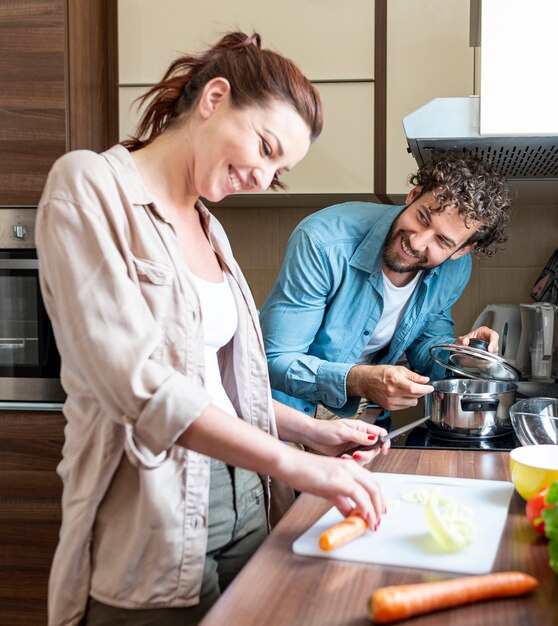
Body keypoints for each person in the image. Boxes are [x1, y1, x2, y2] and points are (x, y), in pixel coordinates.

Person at [36, 32, 388, 626]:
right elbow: (139, 386)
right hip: (153, 518)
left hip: (249, 504)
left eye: (280, 169)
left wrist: (314, 433)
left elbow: (222, 386)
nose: (263, 176)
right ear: (214, 98)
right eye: (266, 147)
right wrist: (296, 464)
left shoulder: (210, 228)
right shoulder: (89, 186)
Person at [259, 151, 513, 424]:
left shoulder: (454, 269)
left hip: (366, 415)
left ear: (462, 250)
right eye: (423, 218)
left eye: (442, 240)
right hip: (286, 414)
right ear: (413, 195)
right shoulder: (323, 241)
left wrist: (461, 355)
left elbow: (424, 345)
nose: (417, 243)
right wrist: (361, 380)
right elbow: (275, 360)